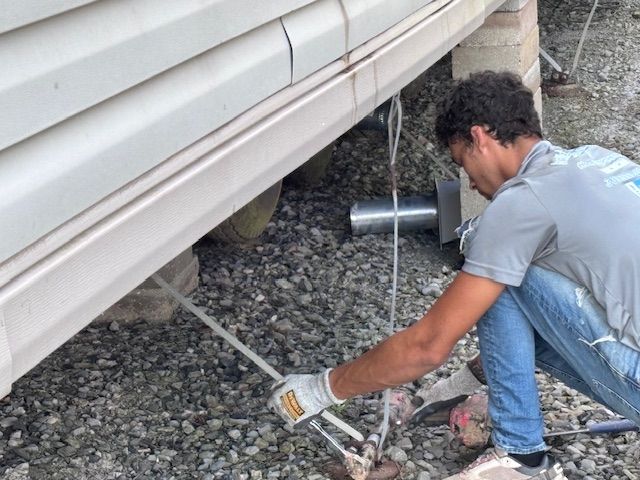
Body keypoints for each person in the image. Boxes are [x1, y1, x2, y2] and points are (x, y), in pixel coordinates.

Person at [268, 70, 640, 479]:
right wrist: (454, 387)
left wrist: (322, 388)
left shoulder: (523, 203)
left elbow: (427, 345)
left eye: (462, 163)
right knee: (516, 273)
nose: (472, 184)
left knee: (501, 272)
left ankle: (521, 459)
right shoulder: (598, 161)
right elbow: (552, 318)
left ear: (478, 137)